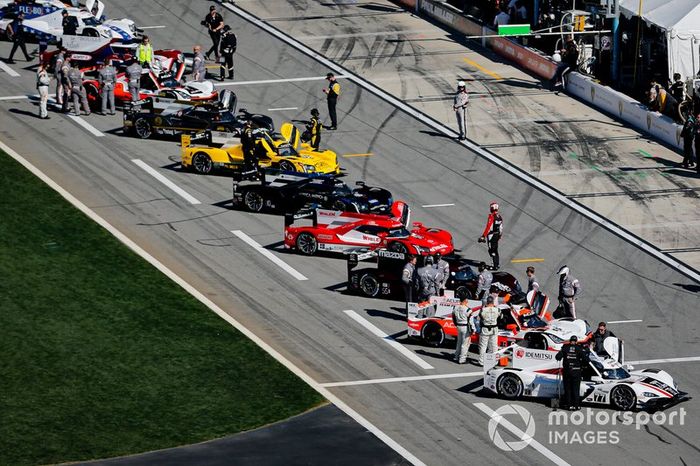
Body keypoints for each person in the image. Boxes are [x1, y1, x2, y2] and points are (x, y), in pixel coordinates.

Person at [555, 335, 589, 410]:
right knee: (575, 389)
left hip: (567, 372)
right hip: (576, 372)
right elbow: (586, 360)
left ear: (570, 341)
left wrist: (562, 353)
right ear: (576, 341)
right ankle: (576, 406)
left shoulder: (565, 347)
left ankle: (569, 405)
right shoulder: (579, 348)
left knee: (568, 389)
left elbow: (557, 357)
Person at [478, 201, 503, 270]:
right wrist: (500, 235)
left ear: (492, 208)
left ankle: (494, 265)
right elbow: (501, 227)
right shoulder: (500, 217)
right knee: (495, 250)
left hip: (491, 235)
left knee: (491, 250)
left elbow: (488, 227)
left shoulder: (491, 216)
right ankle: (497, 264)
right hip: (497, 234)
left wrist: (483, 236)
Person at [478, 295, 499, 366]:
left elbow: (480, 317)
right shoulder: (497, 309)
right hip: (494, 329)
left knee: (483, 346)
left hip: (485, 329)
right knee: (493, 346)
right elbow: (501, 317)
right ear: (493, 302)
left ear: (487, 302)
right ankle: (493, 361)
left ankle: (481, 362)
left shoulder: (483, 309)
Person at [452, 296, 471, 364]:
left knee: (459, 342)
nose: (468, 302)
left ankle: (456, 357)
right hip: (465, 327)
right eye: (467, 300)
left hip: (458, 326)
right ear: (465, 300)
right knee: (465, 344)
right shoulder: (468, 309)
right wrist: (473, 330)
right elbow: (470, 321)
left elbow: (453, 317)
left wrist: (456, 324)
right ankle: (462, 359)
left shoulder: (455, 307)